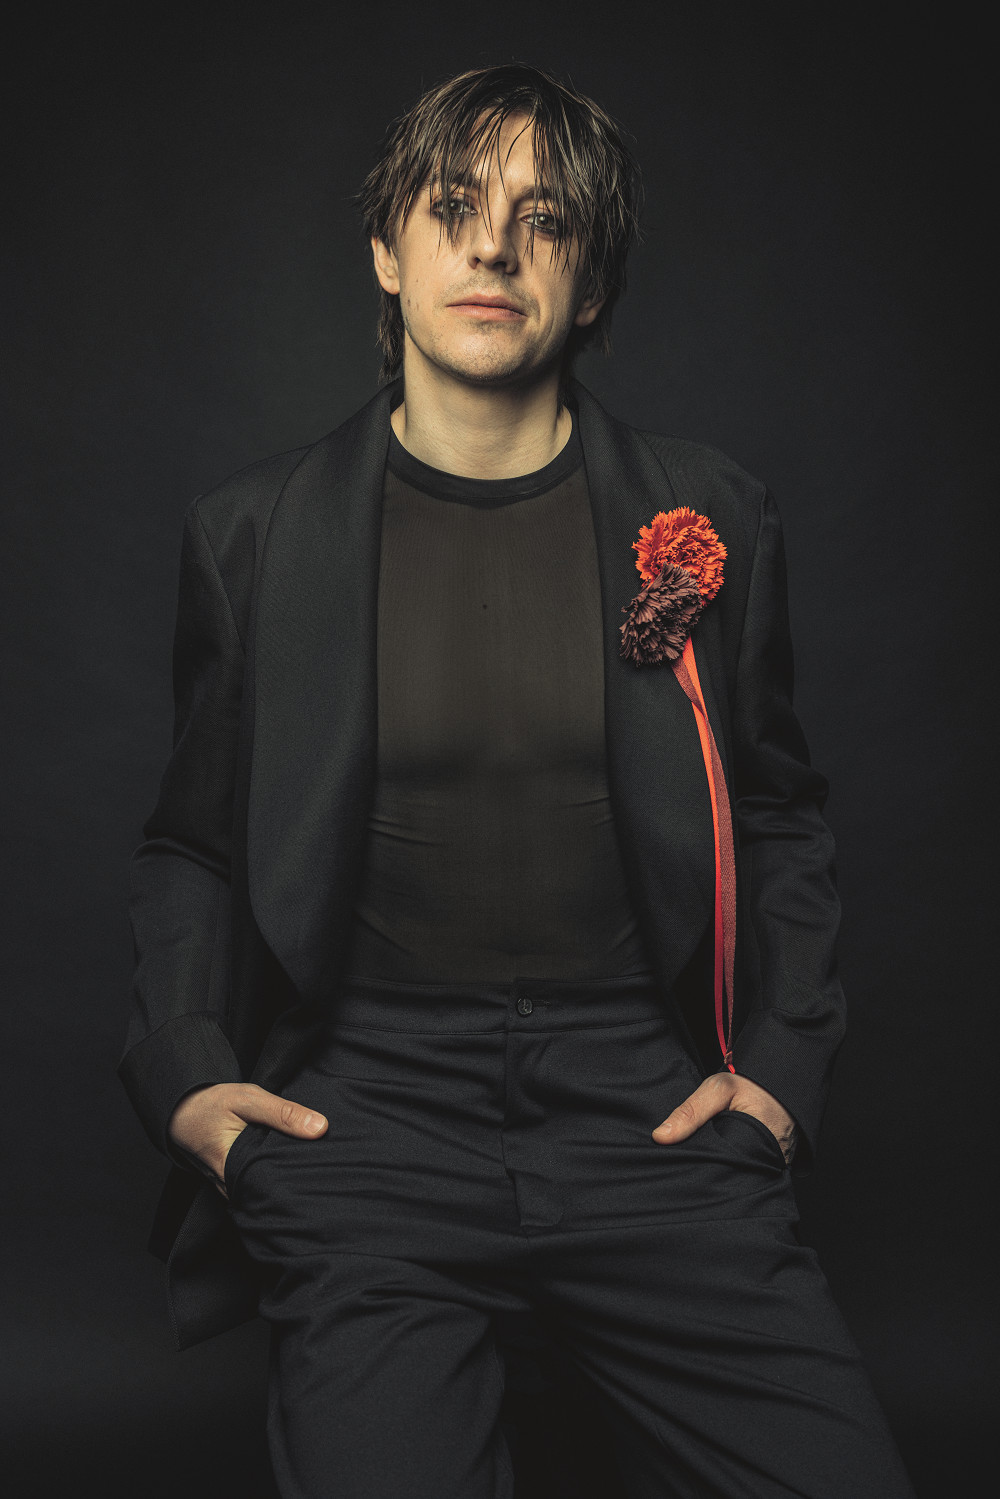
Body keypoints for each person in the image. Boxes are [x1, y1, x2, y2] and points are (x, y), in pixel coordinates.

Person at [119, 61, 917, 1499]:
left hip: (647, 1115)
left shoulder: (710, 514)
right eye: (453, 206)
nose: (493, 247)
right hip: (366, 1122)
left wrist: (783, 1074)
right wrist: (185, 1072)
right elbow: (193, 843)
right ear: (388, 252)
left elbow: (777, 811)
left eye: (543, 219)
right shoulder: (253, 533)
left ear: (590, 282)